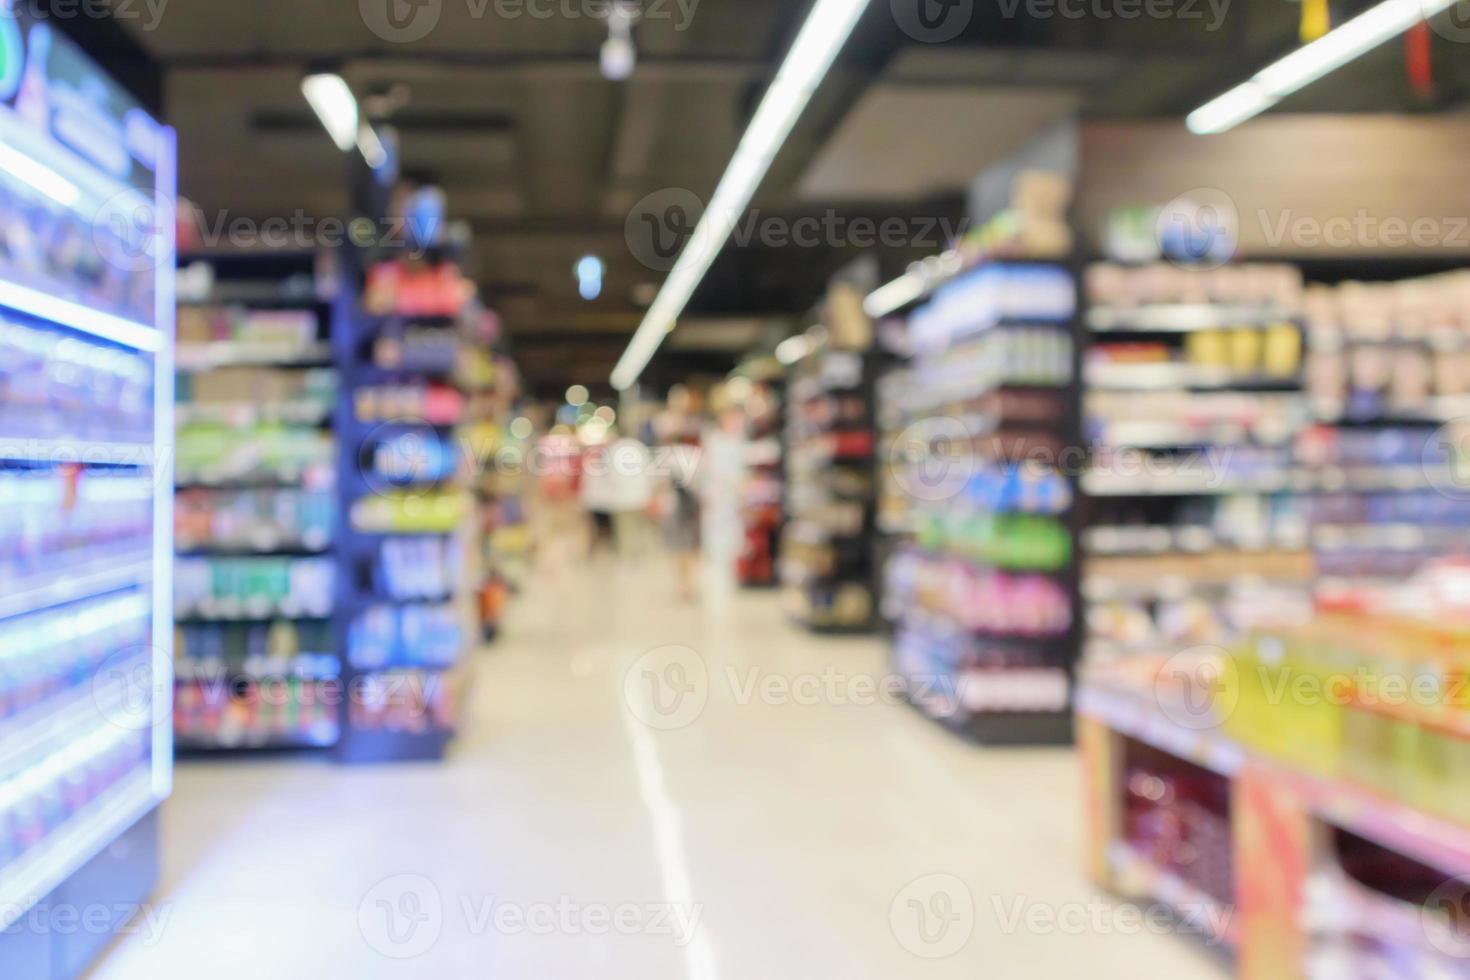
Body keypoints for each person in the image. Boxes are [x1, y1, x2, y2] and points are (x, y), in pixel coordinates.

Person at [656, 386, 703, 601]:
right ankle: (682, 583)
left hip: (692, 497)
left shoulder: (696, 428)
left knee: (692, 543)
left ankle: (690, 583)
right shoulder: (666, 442)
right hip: (674, 498)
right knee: (677, 543)